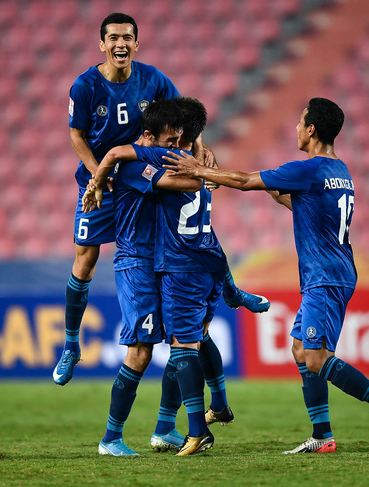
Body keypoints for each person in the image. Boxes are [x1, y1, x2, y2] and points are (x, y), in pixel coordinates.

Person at [162, 97, 369, 454]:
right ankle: (322, 435)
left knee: (314, 356)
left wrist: (200, 171)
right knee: (300, 349)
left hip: (326, 275)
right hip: (333, 271)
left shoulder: (308, 169)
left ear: (311, 129)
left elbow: (245, 180)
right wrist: (264, 183)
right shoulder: (338, 170)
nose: (296, 127)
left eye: (300, 122)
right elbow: (296, 201)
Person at [55, 12, 269, 386]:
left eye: (127, 37)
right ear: (101, 44)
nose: (120, 44)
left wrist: (199, 151)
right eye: (113, 38)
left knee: (189, 231)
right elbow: (77, 136)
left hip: (144, 173)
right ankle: (71, 345)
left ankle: (231, 293)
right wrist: (96, 177)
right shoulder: (85, 85)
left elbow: (185, 117)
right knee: (85, 259)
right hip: (104, 179)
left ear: (136, 43)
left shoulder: (153, 79)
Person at [85, 97, 235, 456]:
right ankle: (111, 438)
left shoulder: (156, 153)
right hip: (136, 263)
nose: (175, 148)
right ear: (149, 137)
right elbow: (184, 184)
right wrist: (201, 167)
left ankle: (166, 428)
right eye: (171, 142)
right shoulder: (139, 164)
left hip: (163, 264)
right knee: (140, 352)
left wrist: (199, 150)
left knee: (183, 343)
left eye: (180, 141)